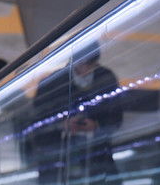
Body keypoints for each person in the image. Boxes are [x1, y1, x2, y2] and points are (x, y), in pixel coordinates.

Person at [29, 42, 123, 184]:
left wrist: (97, 125)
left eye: (91, 66)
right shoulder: (51, 84)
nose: (86, 71)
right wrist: (61, 125)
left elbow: (116, 117)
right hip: (57, 156)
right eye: (81, 65)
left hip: (95, 154)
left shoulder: (105, 78)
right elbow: (36, 124)